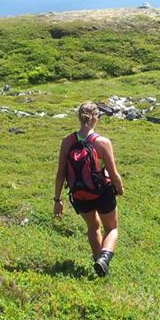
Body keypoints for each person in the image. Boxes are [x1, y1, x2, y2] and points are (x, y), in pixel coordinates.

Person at [54, 102, 125, 276]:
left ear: (79, 118)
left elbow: (60, 173)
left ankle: (99, 263)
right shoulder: (102, 142)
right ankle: (104, 259)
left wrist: (57, 200)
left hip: (80, 194)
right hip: (102, 192)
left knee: (93, 227)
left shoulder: (67, 142)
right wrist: (120, 188)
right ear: (95, 118)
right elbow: (114, 174)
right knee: (112, 228)